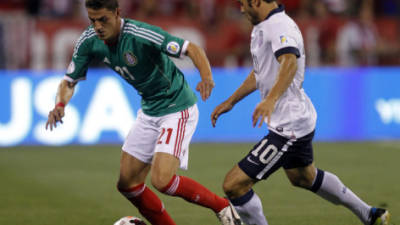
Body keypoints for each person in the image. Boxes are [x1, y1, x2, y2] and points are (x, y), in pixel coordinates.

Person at [45, 0, 242, 225]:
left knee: (162, 180)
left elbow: (191, 48)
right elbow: (69, 81)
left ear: (118, 13)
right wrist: (60, 105)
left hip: (176, 107)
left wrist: (206, 76)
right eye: (92, 20)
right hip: (149, 110)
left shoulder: (142, 34)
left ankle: (224, 207)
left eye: (103, 19)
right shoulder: (88, 40)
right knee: (128, 184)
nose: (97, 26)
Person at [211, 1, 390, 225]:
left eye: (244, 3)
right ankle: (369, 214)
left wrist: (271, 99)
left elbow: (289, 62)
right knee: (303, 176)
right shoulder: (262, 27)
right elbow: (260, 73)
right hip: (295, 118)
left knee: (234, 185)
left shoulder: (280, 26)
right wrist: (231, 101)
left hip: (289, 125)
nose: (241, 9)